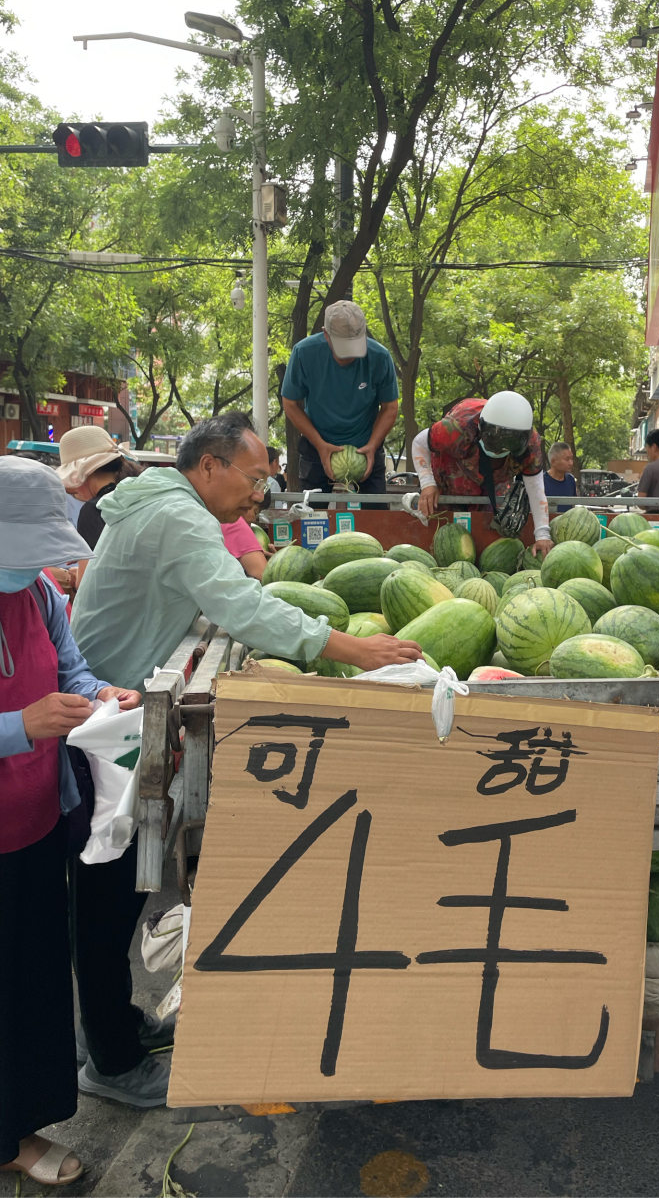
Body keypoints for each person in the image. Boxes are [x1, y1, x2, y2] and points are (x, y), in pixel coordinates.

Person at [69, 412, 421, 1106]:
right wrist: (356, 650)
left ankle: (111, 1028)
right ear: (210, 466)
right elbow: (243, 606)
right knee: (105, 897)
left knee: (111, 893)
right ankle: (110, 1062)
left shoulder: (166, 505)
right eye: (254, 477)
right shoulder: (180, 517)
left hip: (113, 711)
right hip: (105, 726)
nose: (259, 493)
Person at [0, 459, 140, 1186]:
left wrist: (100, 694)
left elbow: (71, 671)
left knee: (33, 979)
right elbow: (28, 713)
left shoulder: (41, 594)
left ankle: (21, 1120)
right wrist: (19, 726)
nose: (34, 566)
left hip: (35, 822)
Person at [281, 301, 398, 508]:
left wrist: (372, 445)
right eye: (343, 348)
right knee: (311, 514)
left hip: (366, 446)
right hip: (317, 444)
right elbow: (290, 403)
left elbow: (390, 407)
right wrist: (320, 444)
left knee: (376, 515)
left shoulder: (380, 357)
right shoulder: (304, 353)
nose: (350, 355)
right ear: (326, 334)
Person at [411, 392, 554, 558]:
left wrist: (542, 535)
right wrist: (427, 483)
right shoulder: (458, 427)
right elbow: (420, 442)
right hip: (450, 475)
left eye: (508, 445)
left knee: (488, 530)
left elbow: (536, 490)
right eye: (496, 443)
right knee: (446, 535)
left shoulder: (530, 446)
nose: (499, 451)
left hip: (492, 485)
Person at [57, 426, 140, 543]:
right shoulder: (141, 494)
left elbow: (91, 556)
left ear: (81, 476)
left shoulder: (95, 510)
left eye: (72, 488)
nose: (74, 494)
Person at [221, 505, 270, 581]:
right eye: (255, 512)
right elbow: (264, 577)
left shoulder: (214, 517)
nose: (254, 520)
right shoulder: (234, 523)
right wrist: (277, 562)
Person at [544, 442, 578, 512]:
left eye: (571, 459)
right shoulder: (541, 482)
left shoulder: (570, 479)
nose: (571, 463)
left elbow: (573, 504)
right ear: (553, 462)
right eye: (567, 459)